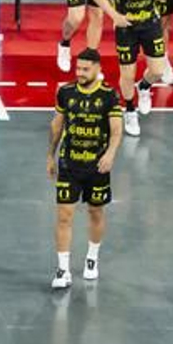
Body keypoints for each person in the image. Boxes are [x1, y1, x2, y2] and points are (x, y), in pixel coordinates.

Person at [48, 48, 123, 290]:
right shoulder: (66, 93)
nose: (79, 73)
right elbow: (57, 126)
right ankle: (63, 270)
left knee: (96, 212)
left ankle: (92, 258)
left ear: (98, 69)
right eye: (77, 68)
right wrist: (51, 155)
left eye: (85, 69)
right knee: (63, 216)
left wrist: (110, 154)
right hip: (69, 164)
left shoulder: (109, 96)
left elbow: (116, 130)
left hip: (97, 167)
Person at [91, 0, 172, 138]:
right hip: (125, 26)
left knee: (157, 70)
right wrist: (114, 15)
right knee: (127, 73)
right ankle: (129, 110)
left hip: (150, 21)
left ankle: (144, 87)